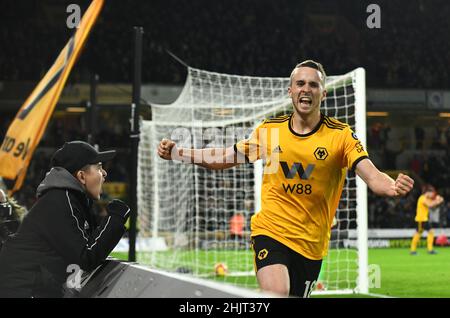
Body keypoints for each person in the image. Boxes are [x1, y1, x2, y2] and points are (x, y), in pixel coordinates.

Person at [157, 60, 414, 297]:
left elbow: (370, 173)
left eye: (313, 84)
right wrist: (179, 153)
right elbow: (225, 156)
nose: (306, 89)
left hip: (312, 244)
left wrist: (391, 186)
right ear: (290, 91)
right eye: (300, 83)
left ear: (323, 94)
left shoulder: (341, 135)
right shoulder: (270, 131)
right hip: (271, 231)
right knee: (276, 294)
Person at [0, 141, 130, 297]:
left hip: (32, 286)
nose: (104, 173)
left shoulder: (68, 198)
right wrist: (115, 217)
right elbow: (86, 258)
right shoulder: (60, 199)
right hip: (24, 289)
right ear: (81, 176)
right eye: (99, 167)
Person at [410, 185, 444, 255]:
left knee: (429, 232)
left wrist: (438, 201)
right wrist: (438, 200)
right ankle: (413, 250)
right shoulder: (422, 198)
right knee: (419, 233)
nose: (432, 195)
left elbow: (433, 205)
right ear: (428, 192)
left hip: (424, 219)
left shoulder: (426, 198)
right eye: (432, 193)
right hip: (421, 219)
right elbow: (430, 205)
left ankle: (429, 249)